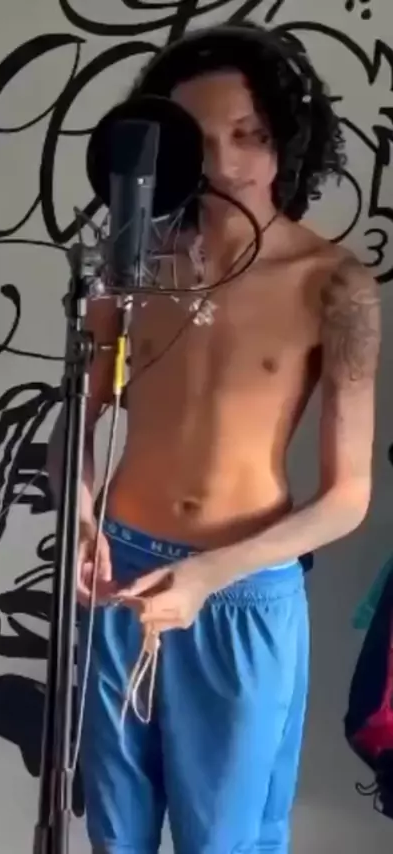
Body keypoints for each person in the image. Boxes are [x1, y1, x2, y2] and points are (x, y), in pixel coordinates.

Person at [47, 23, 380, 854]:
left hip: (239, 593)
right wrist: (79, 518)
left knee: (225, 841)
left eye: (249, 134)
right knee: (115, 833)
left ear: (287, 140)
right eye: (199, 139)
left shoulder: (335, 286)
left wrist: (208, 575)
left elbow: (347, 497)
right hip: (120, 576)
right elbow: (77, 421)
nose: (226, 162)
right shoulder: (127, 267)